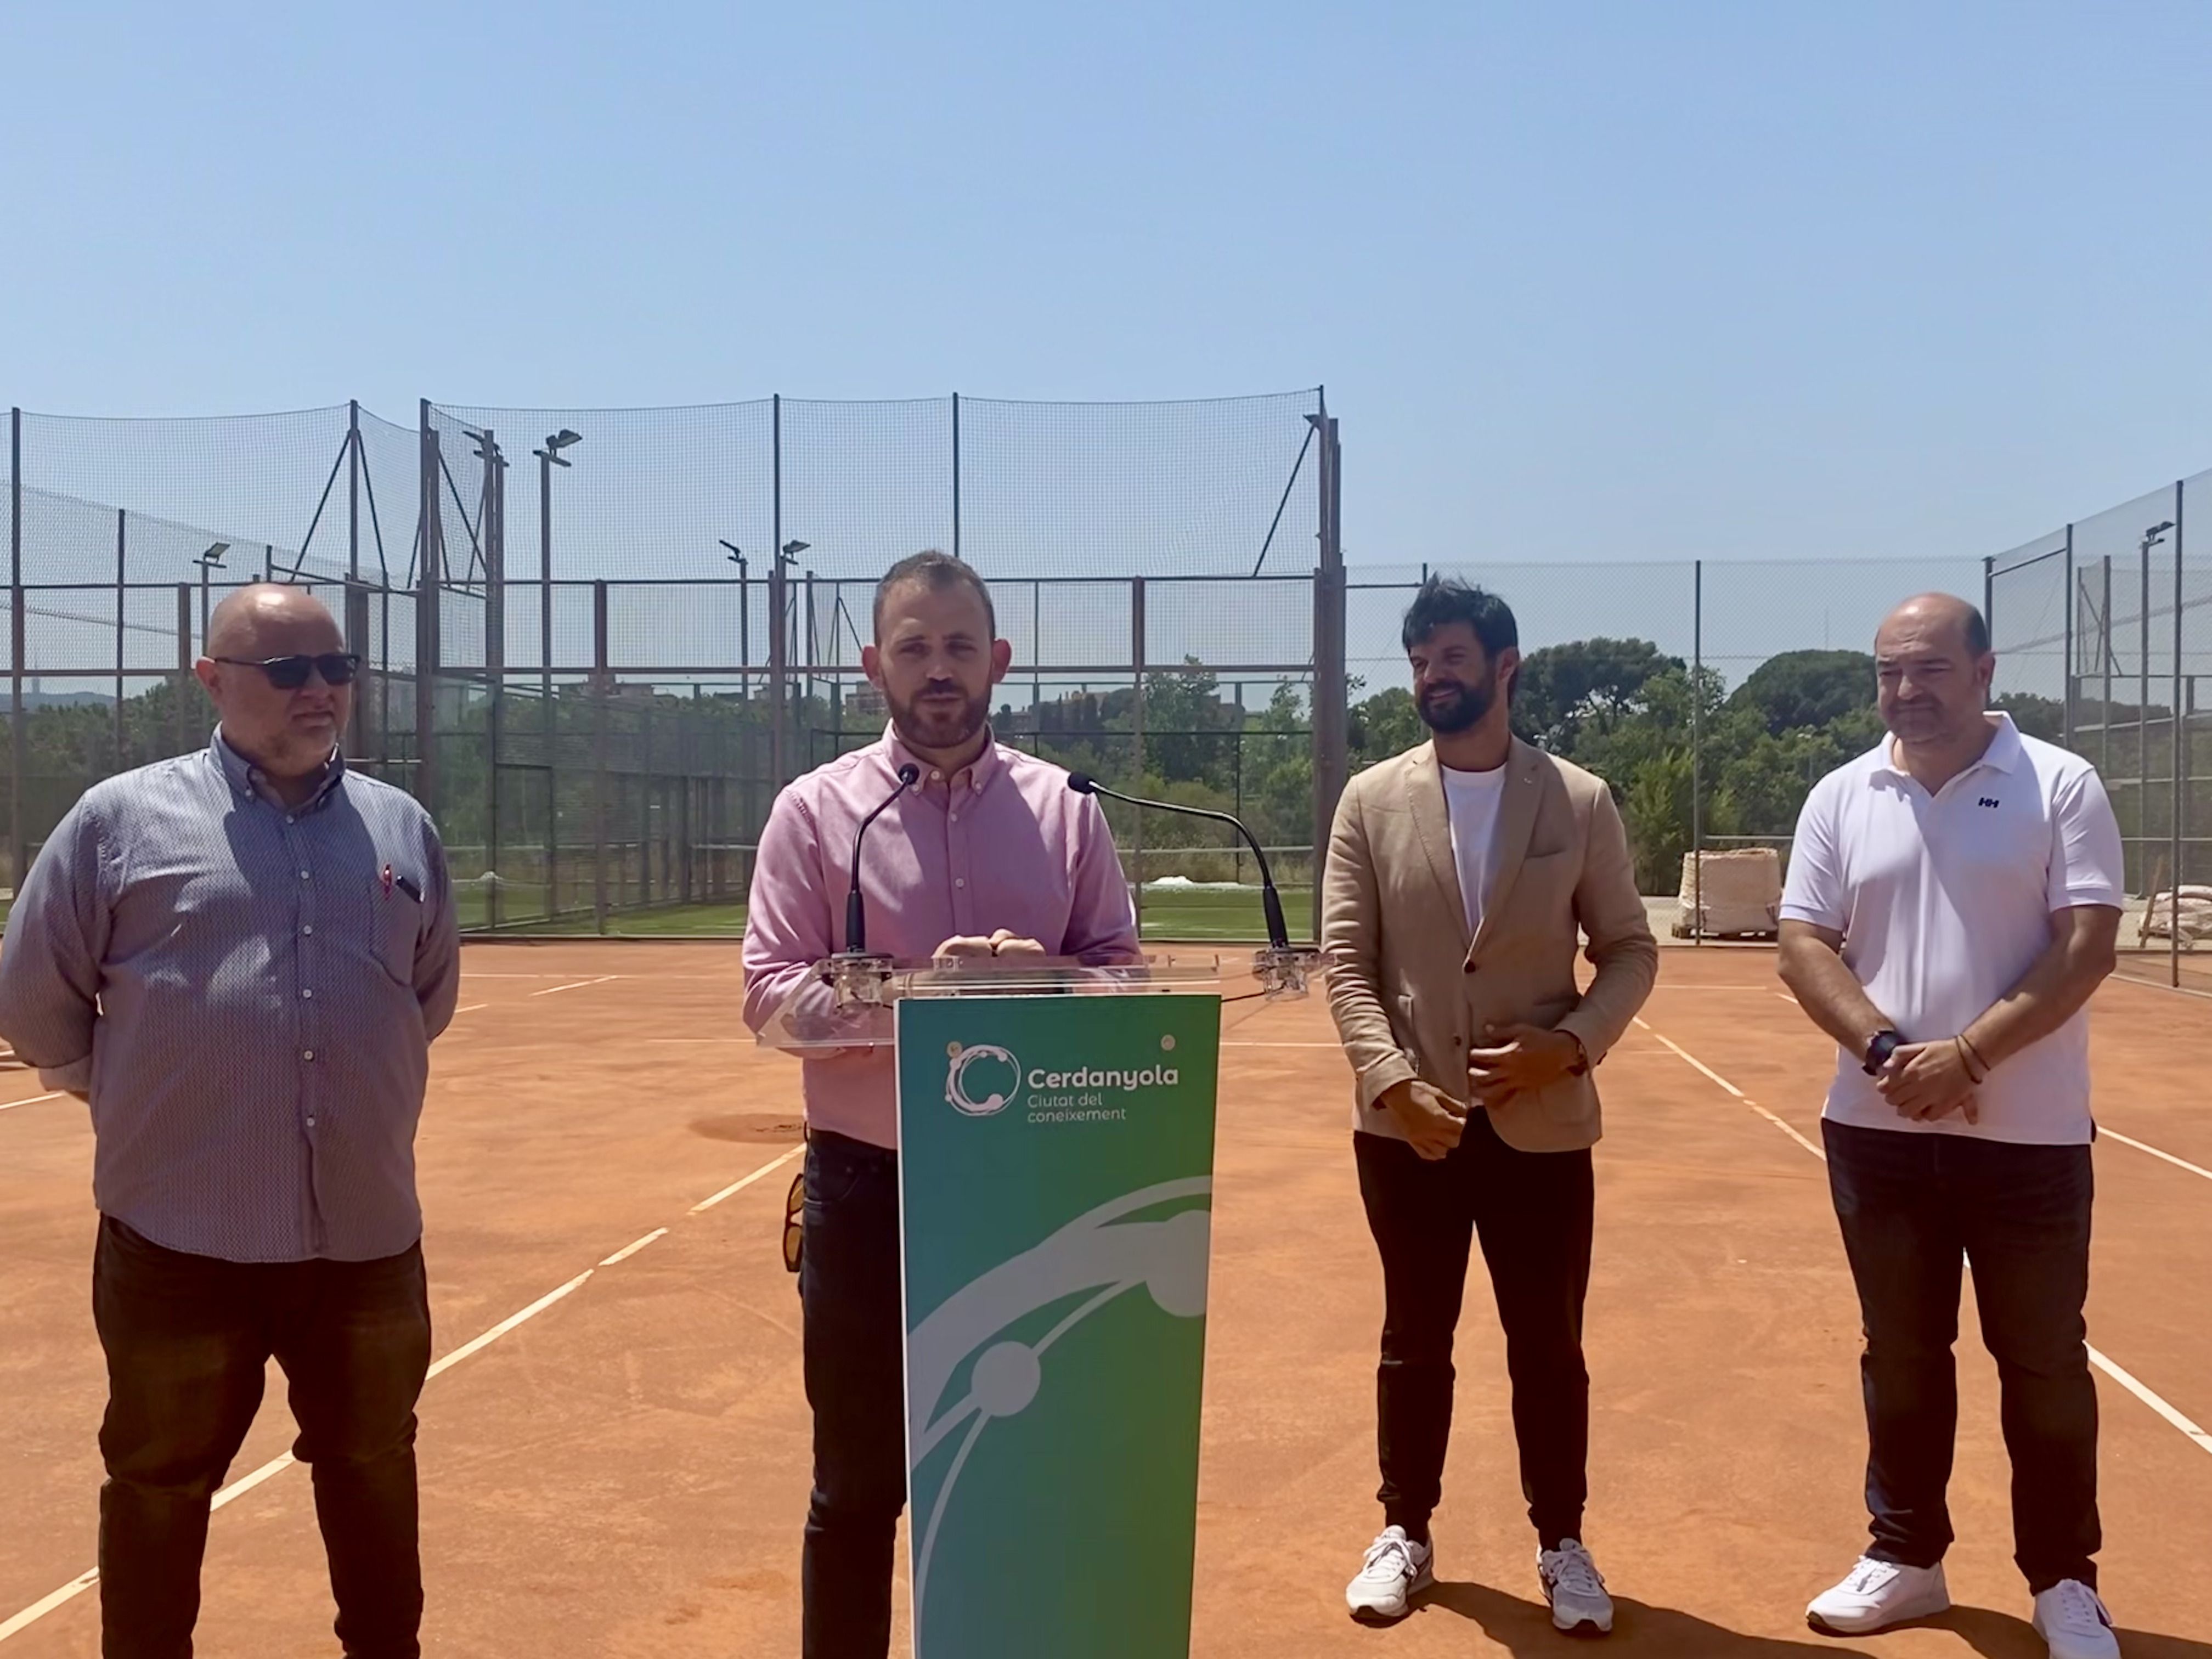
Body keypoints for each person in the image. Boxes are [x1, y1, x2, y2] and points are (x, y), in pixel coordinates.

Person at [0, 583, 459, 1659]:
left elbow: (423, 997)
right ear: (212, 681)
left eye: (335, 669)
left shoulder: (402, 827)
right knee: (159, 1482)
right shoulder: (121, 820)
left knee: (374, 1464)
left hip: (364, 1241)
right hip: (180, 1241)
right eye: (289, 671)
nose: (321, 692)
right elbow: (33, 995)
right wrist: (125, 1097)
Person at [741, 550, 1141, 1658]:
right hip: (871, 1190)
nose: (939, 670)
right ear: (874, 665)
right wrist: (923, 996)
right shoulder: (817, 815)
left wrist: (1040, 983)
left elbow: (1122, 970)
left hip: (1035, 1187)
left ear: (1000, 661)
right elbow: (770, 999)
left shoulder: (1067, 810)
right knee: (859, 1483)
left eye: (960, 646)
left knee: (1020, 1474)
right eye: (914, 647)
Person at [1779, 594, 2124, 1659]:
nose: (1905, 691)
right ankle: (1907, 1558)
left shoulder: (2059, 783)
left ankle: (2064, 1581)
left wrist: (1968, 1058)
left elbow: (2087, 945)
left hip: (2029, 1140)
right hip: (1878, 1131)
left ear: (1984, 671)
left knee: (2043, 1362)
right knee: (1902, 1356)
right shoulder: (1844, 793)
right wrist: (1891, 1058)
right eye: (1888, 671)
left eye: (1928, 668)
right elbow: (1803, 942)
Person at [1319, 577, 1657, 1636]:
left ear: (1506, 667)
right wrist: (1388, 1080)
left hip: (1541, 1125)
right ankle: (1404, 1533)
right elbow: (1346, 961)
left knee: (1547, 1347)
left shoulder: (1581, 801)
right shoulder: (1370, 801)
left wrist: (1570, 1046)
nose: (1433, 676)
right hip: (1409, 1130)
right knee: (1413, 1338)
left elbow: (1630, 951)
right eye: (1420, 659)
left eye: (1453, 658)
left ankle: (1563, 1543)